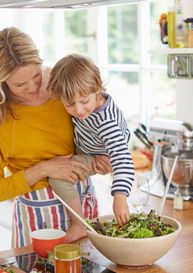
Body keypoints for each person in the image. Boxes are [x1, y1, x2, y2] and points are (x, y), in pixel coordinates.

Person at [0, 27, 109, 247]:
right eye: (20, 84)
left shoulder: (63, 84)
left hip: (84, 205)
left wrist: (102, 157)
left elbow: (99, 119)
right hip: (38, 222)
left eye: (36, 75)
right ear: (0, 81)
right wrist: (44, 169)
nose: (34, 87)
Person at [47, 54, 135, 234]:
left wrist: (120, 197)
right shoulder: (86, 101)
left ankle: (79, 224)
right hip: (88, 144)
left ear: (97, 89)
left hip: (98, 153)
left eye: (84, 101)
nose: (78, 110)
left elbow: (123, 158)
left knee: (58, 178)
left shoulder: (106, 122)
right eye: (70, 104)